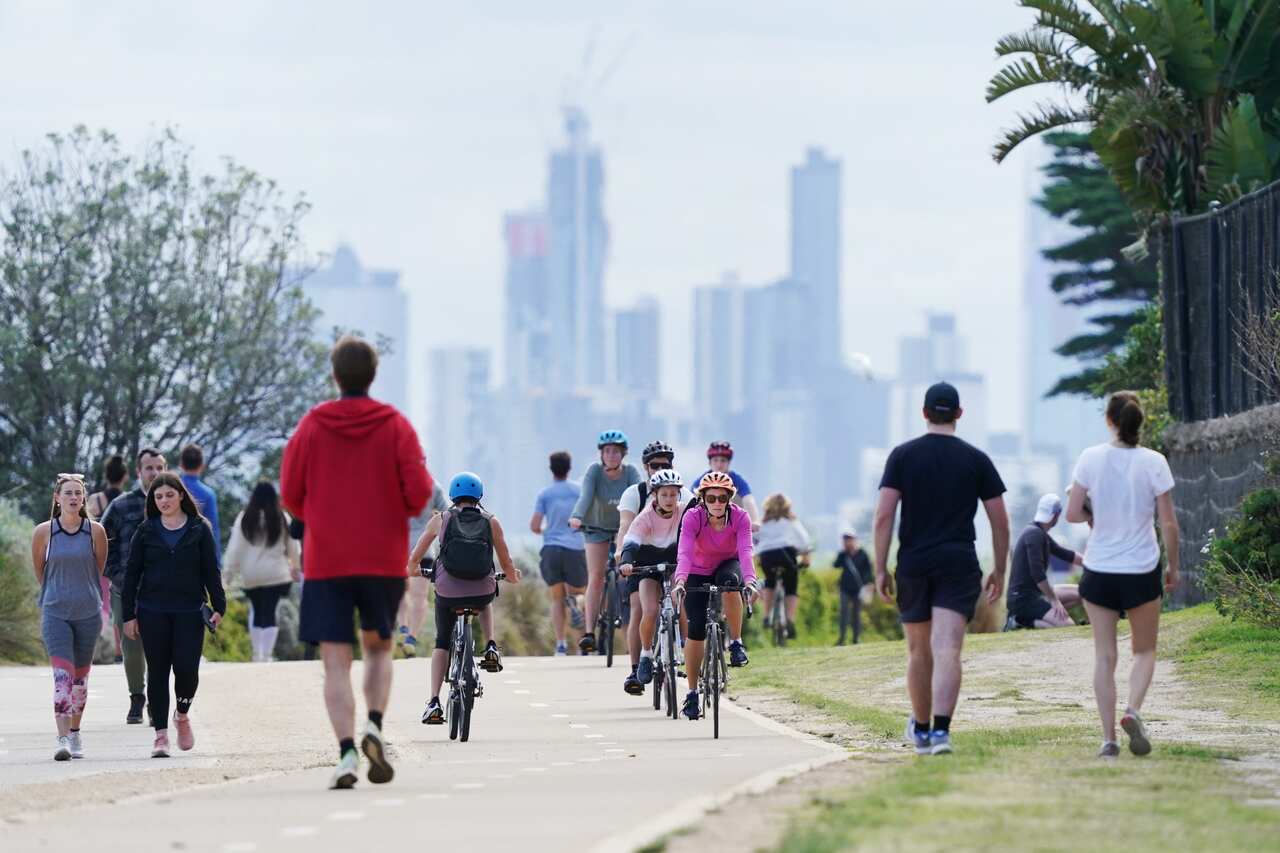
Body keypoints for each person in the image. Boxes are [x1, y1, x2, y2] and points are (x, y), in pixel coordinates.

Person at [281, 335, 433, 790]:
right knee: (379, 648)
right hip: (382, 560)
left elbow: (290, 494)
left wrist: (324, 518)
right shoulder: (396, 426)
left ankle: (347, 752)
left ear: (334, 375)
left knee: (334, 662)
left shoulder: (311, 425)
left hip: (327, 561)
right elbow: (421, 493)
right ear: (373, 374)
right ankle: (374, 725)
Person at [873, 381, 1009, 757]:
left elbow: (884, 516)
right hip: (958, 563)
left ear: (924, 413)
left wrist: (881, 567)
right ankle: (941, 733)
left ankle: (920, 729)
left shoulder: (902, 456)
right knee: (948, 649)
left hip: (914, 564)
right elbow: (1000, 520)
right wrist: (999, 567)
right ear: (959, 415)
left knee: (919, 651)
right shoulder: (976, 459)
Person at [1066, 391, 1179, 759]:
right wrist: (1173, 566)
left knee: (1104, 657)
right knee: (1144, 651)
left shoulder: (1090, 458)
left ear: (1109, 420)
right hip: (1142, 567)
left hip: (1099, 568)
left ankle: (1108, 740)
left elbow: (1071, 513)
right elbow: (1169, 522)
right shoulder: (1155, 462)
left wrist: (1092, 514)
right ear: (1139, 422)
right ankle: (1132, 710)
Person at [120, 473, 225, 759]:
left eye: (168, 495)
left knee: (187, 670)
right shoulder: (146, 531)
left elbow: (210, 570)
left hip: (190, 610)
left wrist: (219, 605)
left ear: (181, 495)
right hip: (152, 610)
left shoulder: (199, 528)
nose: (164, 500)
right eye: (158, 497)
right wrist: (128, 615)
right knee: (157, 672)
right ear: (153, 501)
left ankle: (182, 714)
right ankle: (161, 736)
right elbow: (132, 575)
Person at [412, 473, 520, 726]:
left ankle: (434, 702)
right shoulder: (491, 521)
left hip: (448, 592)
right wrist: (513, 576)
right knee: (488, 591)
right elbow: (505, 559)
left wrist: (412, 568)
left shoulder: (441, 519)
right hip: (481, 590)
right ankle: (491, 645)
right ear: (479, 496)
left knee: (441, 641)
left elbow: (417, 552)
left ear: (452, 496)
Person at [31, 473, 108, 760]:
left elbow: (97, 569)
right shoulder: (44, 532)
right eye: (68, 493)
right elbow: (41, 571)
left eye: (78, 493)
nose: (74, 498)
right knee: (62, 678)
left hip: (88, 614)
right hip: (55, 613)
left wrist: (81, 593)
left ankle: (75, 734)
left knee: (80, 681)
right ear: (57, 498)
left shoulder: (95, 532)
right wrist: (57, 592)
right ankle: (62, 738)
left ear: (83, 498)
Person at [672, 471, 759, 720]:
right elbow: (685, 553)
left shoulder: (740, 517)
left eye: (722, 498)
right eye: (711, 498)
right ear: (703, 499)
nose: (717, 503)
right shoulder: (693, 517)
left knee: (731, 583)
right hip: (697, 571)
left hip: (727, 565)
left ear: (730, 498)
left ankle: (736, 643)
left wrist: (751, 582)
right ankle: (691, 694)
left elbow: (745, 551)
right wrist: (680, 581)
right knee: (696, 627)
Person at [101, 448, 167, 724]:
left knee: (159, 647)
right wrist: (116, 573)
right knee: (131, 647)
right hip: (125, 588)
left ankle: (155, 700)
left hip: (162, 589)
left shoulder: (172, 503)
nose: (155, 473)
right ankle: (136, 697)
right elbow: (101, 542)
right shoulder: (121, 505)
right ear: (138, 472)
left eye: (160, 467)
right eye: (149, 468)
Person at [569, 430, 643, 654]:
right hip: (595, 528)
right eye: (607, 451)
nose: (611, 455)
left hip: (624, 529)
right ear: (601, 454)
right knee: (596, 577)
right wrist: (577, 517)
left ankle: (627, 620)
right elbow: (585, 496)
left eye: (616, 452)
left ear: (623, 454)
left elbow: (641, 496)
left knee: (627, 574)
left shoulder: (631, 472)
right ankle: (590, 632)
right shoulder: (594, 471)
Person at [618, 469, 686, 695]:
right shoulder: (645, 517)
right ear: (655, 495)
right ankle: (646, 654)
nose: (669, 499)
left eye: (673, 495)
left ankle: (683, 647)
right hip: (646, 567)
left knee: (682, 601)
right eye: (664, 494)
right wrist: (627, 562)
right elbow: (630, 543)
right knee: (649, 611)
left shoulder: (685, 512)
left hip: (674, 564)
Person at [223, 482, 301, 662]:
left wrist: (228, 574)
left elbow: (235, 549)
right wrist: (295, 566)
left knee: (256, 611)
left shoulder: (244, 518)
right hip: (276, 573)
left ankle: (256, 653)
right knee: (270, 611)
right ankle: (266, 654)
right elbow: (293, 545)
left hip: (251, 575)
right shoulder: (281, 517)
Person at [530, 451, 587, 655]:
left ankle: (561, 645)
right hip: (575, 548)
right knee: (578, 596)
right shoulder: (579, 491)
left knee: (556, 599)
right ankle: (582, 645)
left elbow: (535, 525)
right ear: (569, 468)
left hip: (552, 548)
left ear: (551, 469)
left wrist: (549, 529)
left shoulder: (545, 494)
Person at [1006, 494, 1084, 630]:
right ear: (1056, 515)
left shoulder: (1040, 533)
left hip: (1037, 594)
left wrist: (1094, 563)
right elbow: (1038, 574)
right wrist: (1054, 601)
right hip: (1024, 600)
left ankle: (1024, 620)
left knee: (1084, 593)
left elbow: (1066, 554)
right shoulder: (1034, 534)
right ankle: (1019, 621)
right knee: (1068, 626)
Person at [613, 440, 695, 552]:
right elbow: (625, 524)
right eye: (655, 466)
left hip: (675, 553)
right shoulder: (634, 493)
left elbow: (696, 524)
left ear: (672, 467)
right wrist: (620, 552)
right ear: (646, 467)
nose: (660, 470)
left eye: (665, 466)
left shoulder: (683, 494)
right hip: (639, 553)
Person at [398, 483, 449, 657]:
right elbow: (448, 515)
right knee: (418, 595)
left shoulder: (392, 481)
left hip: (398, 546)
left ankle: (403, 627)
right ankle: (411, 638)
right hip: (424, 549)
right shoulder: (433, 487)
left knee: (401, 590)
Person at [755, 492, 813, 639]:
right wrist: (805, 556)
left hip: (767, 555)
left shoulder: (763, 522)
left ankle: (767, 616)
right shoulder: (791, 521)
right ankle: (790, 620)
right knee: (791, 586)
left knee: (769, 581)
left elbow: (753, 538)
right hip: (786, 554)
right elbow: (805, 541)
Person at [87, 454, 128, 660]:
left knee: (101, 603)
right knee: (119, 603)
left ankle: (99, 649)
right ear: (125, 476)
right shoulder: (128, 499)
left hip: (99, 558)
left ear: (106, 475)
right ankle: (119, 651)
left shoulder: (95, 500)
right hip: (121, 559)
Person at [694, 441, 760, 531]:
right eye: (715, 460)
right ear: (710, 463)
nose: (719, 464)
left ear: (729, 463)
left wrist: (754, 521)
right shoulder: (702, 480)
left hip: (733, 525)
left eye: (723, 460)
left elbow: (748, 500)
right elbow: (691, 502)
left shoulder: (737, 480)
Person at [178, 444, 221, 564]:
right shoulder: (208, 494)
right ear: (201, 466)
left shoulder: (169, 489)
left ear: (181, 464)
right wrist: (216, 562)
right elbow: (213, 529)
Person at [834, 530, 873, 645]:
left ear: (854, 541)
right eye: (845, 541)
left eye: (849, 540)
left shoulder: (863, 554)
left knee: (856, 614)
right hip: (845, 588)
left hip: (858, 589)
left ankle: (856, 638)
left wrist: (869, 583)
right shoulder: (843, 555)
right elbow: (836, 565)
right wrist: (843, 553)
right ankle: (842, 638)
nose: (847, 542)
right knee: (843, 612)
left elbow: (869, 571)